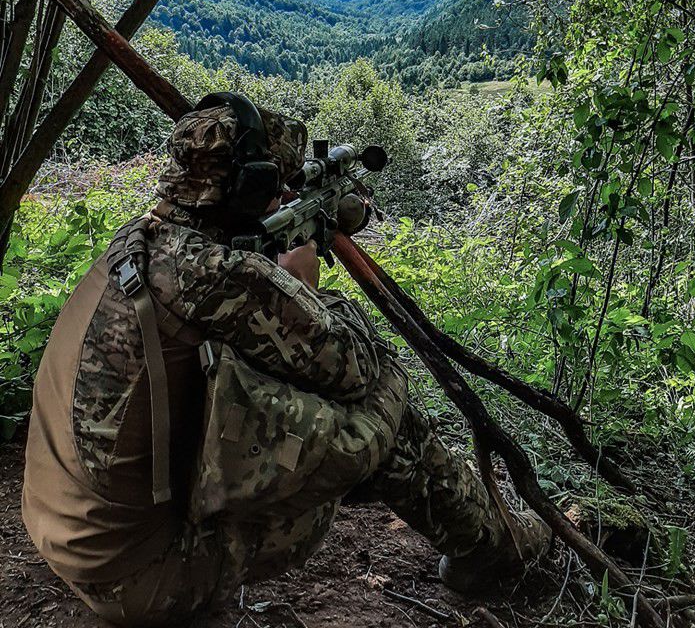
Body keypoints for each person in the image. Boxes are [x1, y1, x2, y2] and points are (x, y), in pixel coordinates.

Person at [22, 93, 550, 627]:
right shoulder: (224, 278)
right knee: (383, 401)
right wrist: (302, 284)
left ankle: (484, 538)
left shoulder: (137, 243)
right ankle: (492, 548)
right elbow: (356, 367)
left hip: (66, 533)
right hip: (143, 575)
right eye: (278, 187)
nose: (283, 198)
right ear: (250, 188)